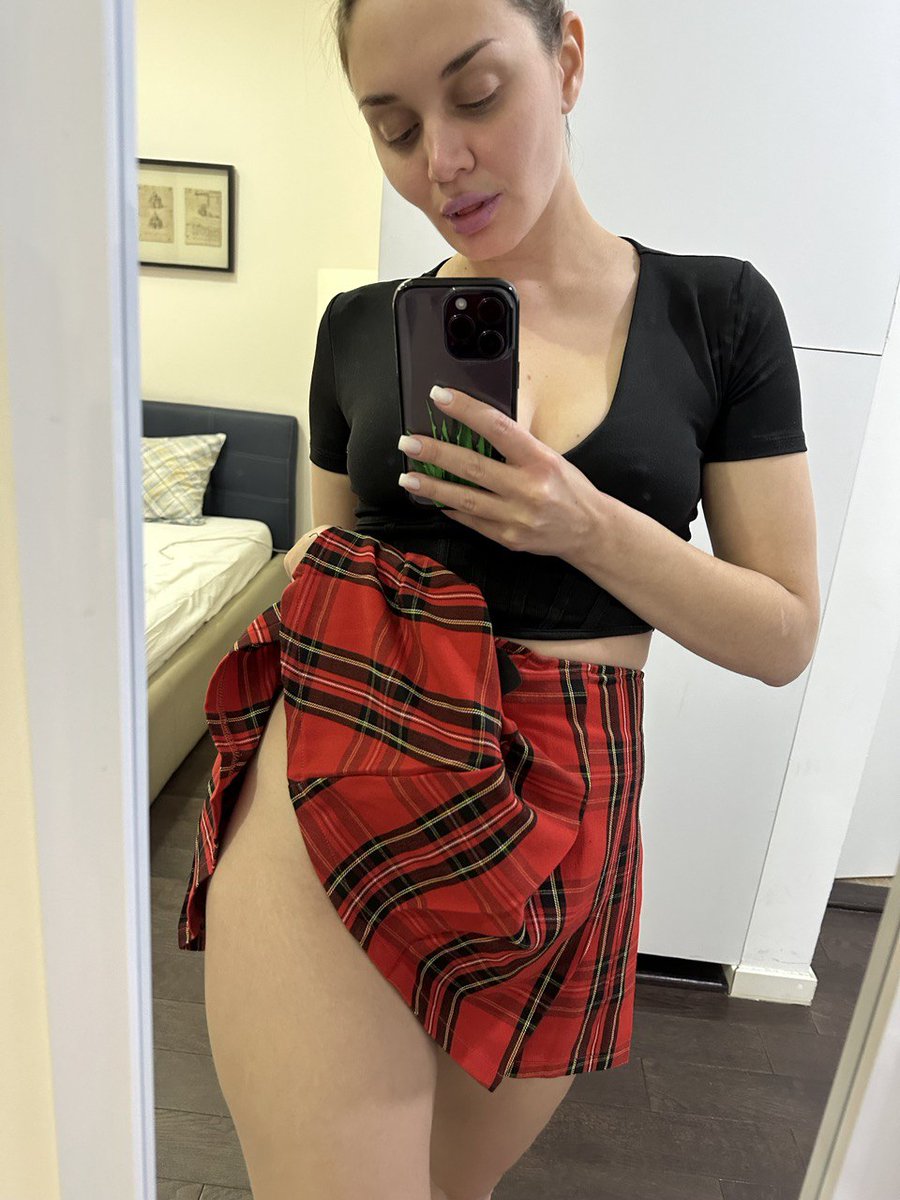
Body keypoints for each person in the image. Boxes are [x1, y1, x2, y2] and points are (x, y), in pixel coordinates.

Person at [177, 3, 820, 1198]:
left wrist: (583, 523)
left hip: (575, 789)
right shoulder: (358, 329)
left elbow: (783, 634)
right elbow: (329, 553)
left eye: (476, 96)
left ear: (566, 58)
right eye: (393, 126)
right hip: (353, 741)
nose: (442, 160)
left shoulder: (720, 314)